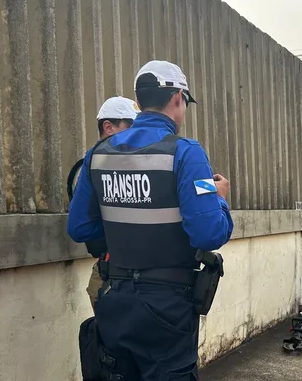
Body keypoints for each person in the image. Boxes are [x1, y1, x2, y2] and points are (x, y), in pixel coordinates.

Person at [67, 60, 234, 380]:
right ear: (177, 98)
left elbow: (79, 228)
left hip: (114, 300)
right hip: (167, 308)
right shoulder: (186, 153)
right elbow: (208, 234)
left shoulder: (98, 154)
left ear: (139, 102)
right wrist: (220, 199)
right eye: (185, 103)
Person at [82, 96, 138, 311]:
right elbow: (80, 228)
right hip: (110, 272)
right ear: (109, 127)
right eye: (131, 126)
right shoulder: (91, 165)